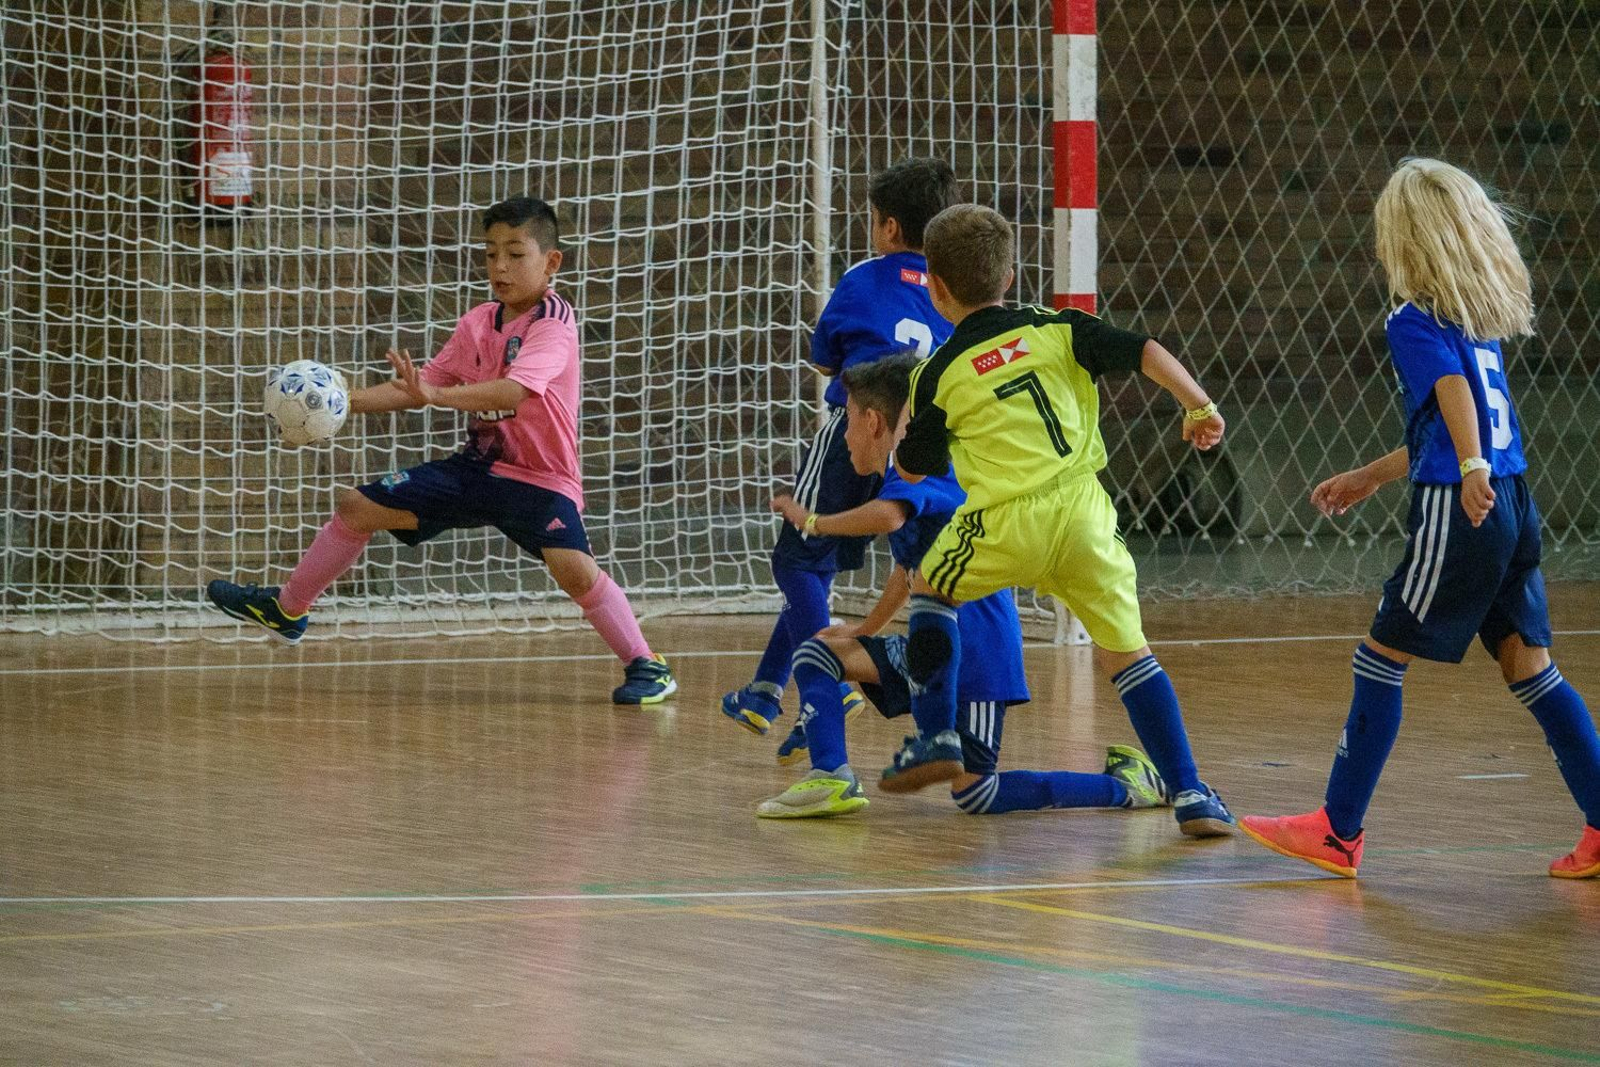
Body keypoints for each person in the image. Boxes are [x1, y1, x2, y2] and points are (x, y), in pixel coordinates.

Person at [1241, 158, 1600, 878]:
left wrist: (1466, 470)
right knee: (1530, 667)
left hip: (1463, 506)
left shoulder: (1412, 319)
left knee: (1379, 655)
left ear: (1405, 238)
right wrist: (1370, 477)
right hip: (1514, 502)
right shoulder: (1477, 322)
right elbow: (1451, 418)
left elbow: (1448, 398)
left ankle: (1338, 831)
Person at [207, 196, 676, 705]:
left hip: (540, 478)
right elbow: (422, 384)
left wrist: (436, 396)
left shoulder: (554, 323)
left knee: (574, 570)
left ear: (552, 262)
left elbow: (512, 392)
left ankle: (647, 666)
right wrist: (338, 406)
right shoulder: (477, 323)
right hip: (477, 469)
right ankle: (288, 609)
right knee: (358, 506)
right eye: (491, 253)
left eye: (516, 254)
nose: (500, 265)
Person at [883, 203, 1235, 839]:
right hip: (1083, 515)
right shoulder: (1059, 329)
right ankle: (1190, 793)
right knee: (1128, 655)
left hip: (1005, 523)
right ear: (1010, 275)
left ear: (934, 287)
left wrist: (906, 431)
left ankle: (936, 735)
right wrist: (1198, 406)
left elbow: (912, 468)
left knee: (930, 589)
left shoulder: (937, 372)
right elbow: (1145, 350)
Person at [756, 354, 1169, 818]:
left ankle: (1126, 785)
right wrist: (864, 629)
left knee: (976, 794)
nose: (844, 435)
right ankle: (830, 777)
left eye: (848, 420)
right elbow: (906, 572)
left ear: (873, 421)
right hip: (931, 650)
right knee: (818, 653)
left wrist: (813, 521)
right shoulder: (905, 470)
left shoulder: (919, 465)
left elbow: (890, 515)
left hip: (977, 652)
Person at [721, 159, 960, 735]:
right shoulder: (953, 293)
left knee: (795, 561)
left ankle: (831, 676)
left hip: (855, 432)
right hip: (922, 446)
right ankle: (764, 691)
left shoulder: (863, 278)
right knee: (825, 570)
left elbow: (824, 357)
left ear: (889, 228)